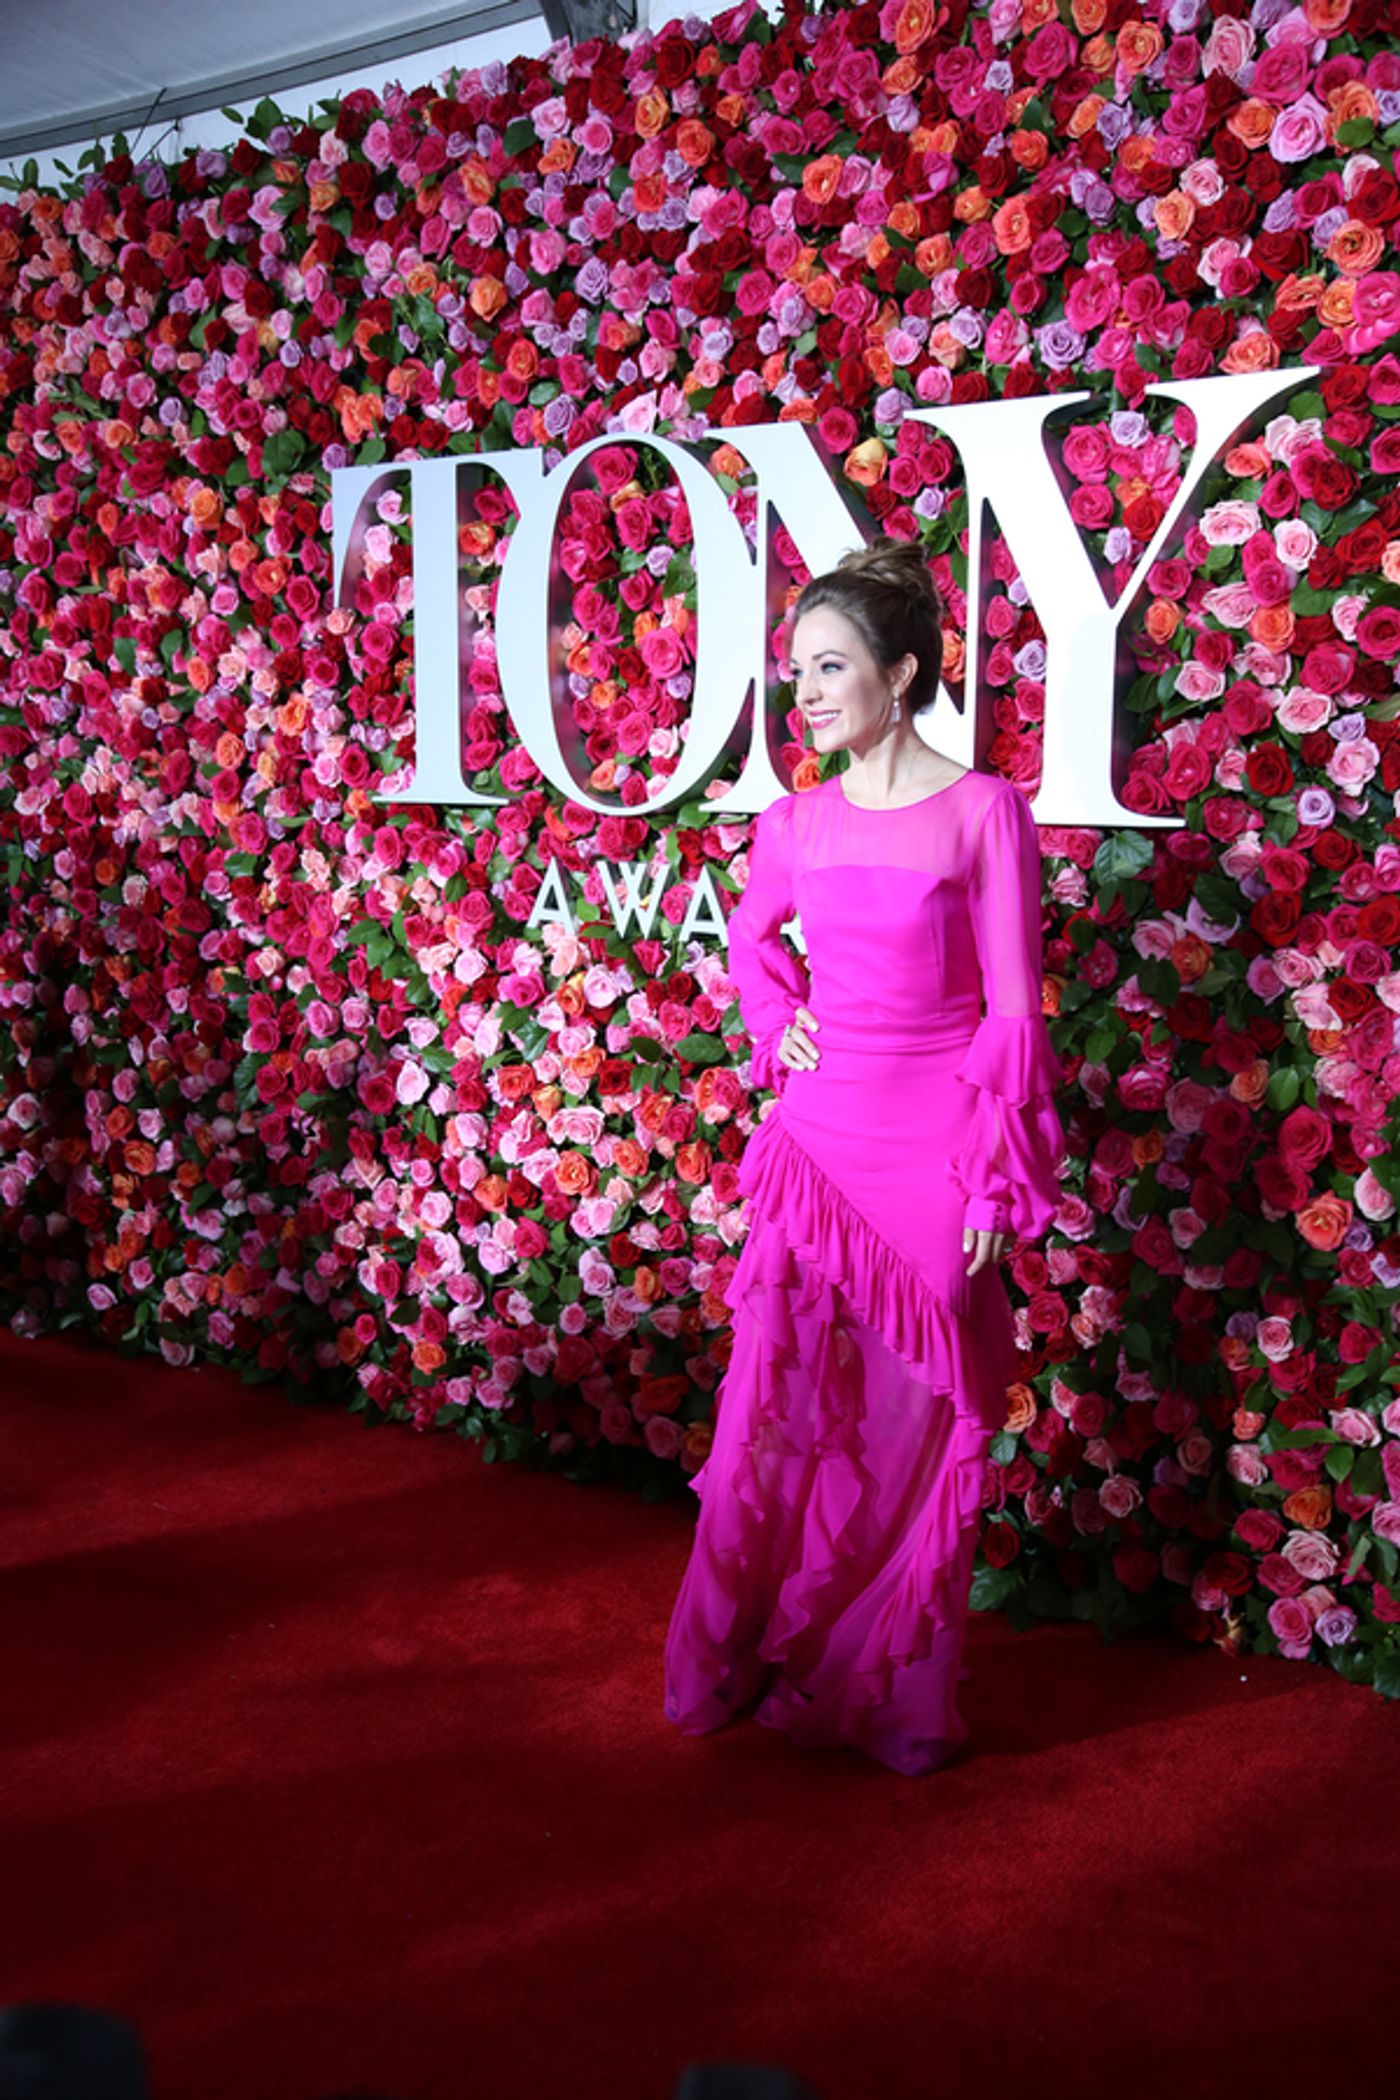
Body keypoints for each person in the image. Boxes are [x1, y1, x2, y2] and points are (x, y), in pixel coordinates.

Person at [663, 541, 1067, 1777]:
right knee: (775, 1409)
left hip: (935, 1150)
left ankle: (887, 1685)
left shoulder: (981, 810)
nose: (808, 695)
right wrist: (773, 1009)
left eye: (831, 668)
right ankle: (740, 1652)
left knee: (914, 1417)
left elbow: (1012, 1007)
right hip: (815, 1143)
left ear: (902, 673)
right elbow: (745, 937)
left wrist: (999, 1172)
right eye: (797, 673)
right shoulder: (793, 820)